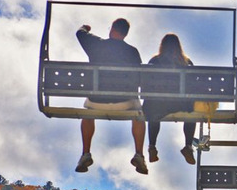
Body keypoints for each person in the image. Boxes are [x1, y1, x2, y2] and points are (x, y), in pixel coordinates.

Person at [74, 19, 147, 175]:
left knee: (88, 111)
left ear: (112, 29)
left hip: (97, 101)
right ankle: (139, 154)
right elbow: (140, 78)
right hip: (125, 102)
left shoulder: (96, 44)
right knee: (139, 113)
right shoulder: (133, 52)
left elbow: (80, 33)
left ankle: (85, 153)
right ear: (126, 34)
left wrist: (86, 27)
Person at [142, 33, 197, 165]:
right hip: (181, 104)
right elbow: (194, 85)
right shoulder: (187, 62)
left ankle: (152, 146)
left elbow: (145, 84)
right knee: (193, 114)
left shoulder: (154, 61)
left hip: (158, 105)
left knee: (152, 110)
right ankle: (188, 146)